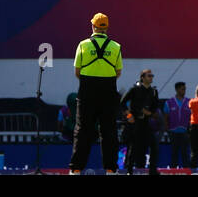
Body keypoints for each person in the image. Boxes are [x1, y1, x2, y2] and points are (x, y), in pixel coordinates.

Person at [69, 12, 123, 174]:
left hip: (87, 90)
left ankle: (76, 170)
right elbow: (118, 72)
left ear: (93, 26)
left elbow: (77, 71)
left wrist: (89, 80)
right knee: (109, 131)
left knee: (83, 129)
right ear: (106, 27)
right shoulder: (116, 46)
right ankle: (111, 170)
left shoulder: (83, 45)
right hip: (108, 90)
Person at [120, 68, 161, 175]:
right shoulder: (134, 89)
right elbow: (122, 103)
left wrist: (150, 113)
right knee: (133, 147)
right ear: (142, 77)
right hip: (135, 122)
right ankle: (129, 170)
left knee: (154, 145)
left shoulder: (153, 91)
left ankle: (152, 169)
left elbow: (155, 107)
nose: (151, 77)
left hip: (146, 122)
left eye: (152, 76)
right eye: (149, 76)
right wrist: (129, 115)